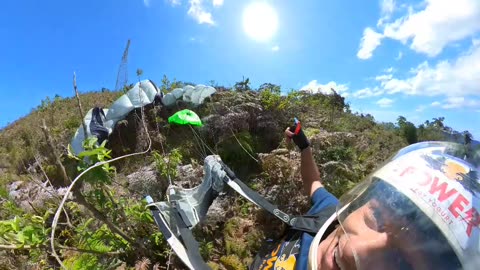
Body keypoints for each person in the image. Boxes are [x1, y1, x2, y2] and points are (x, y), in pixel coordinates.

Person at [250, 121, 479, 270]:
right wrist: (305, 147)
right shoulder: (327, 214)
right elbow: (314, 183)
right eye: (377, 216)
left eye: (402, 264)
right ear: (360, 202)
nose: (354, 250)